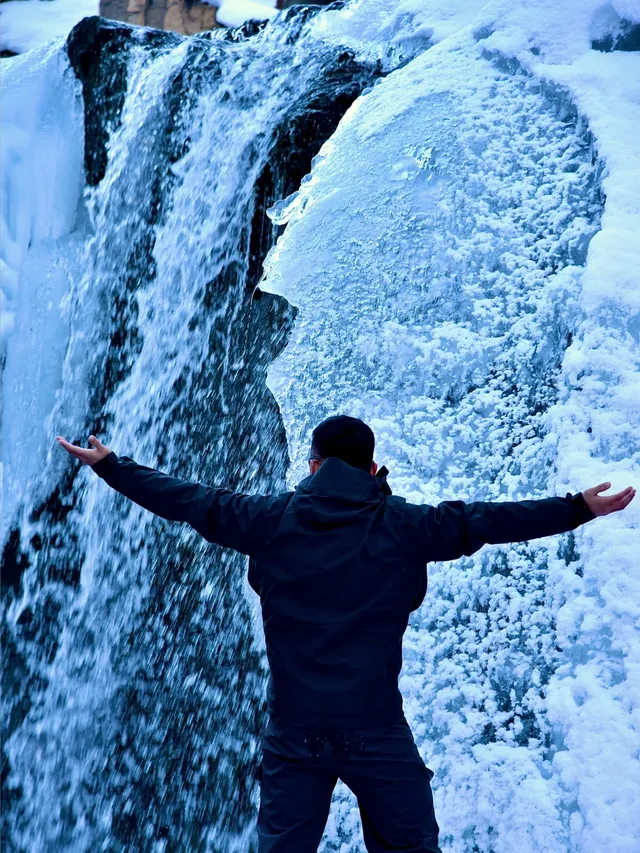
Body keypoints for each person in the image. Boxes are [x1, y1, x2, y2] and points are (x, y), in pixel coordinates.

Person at [56, 415, 635, 853]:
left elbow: (186, 500)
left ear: (313, 466)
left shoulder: (268, 520)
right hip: (376, 732)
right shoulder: (406, 525)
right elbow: (488, 521)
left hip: (295, 735)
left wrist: (111, 465)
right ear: (373, 468)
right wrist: (576, 508)